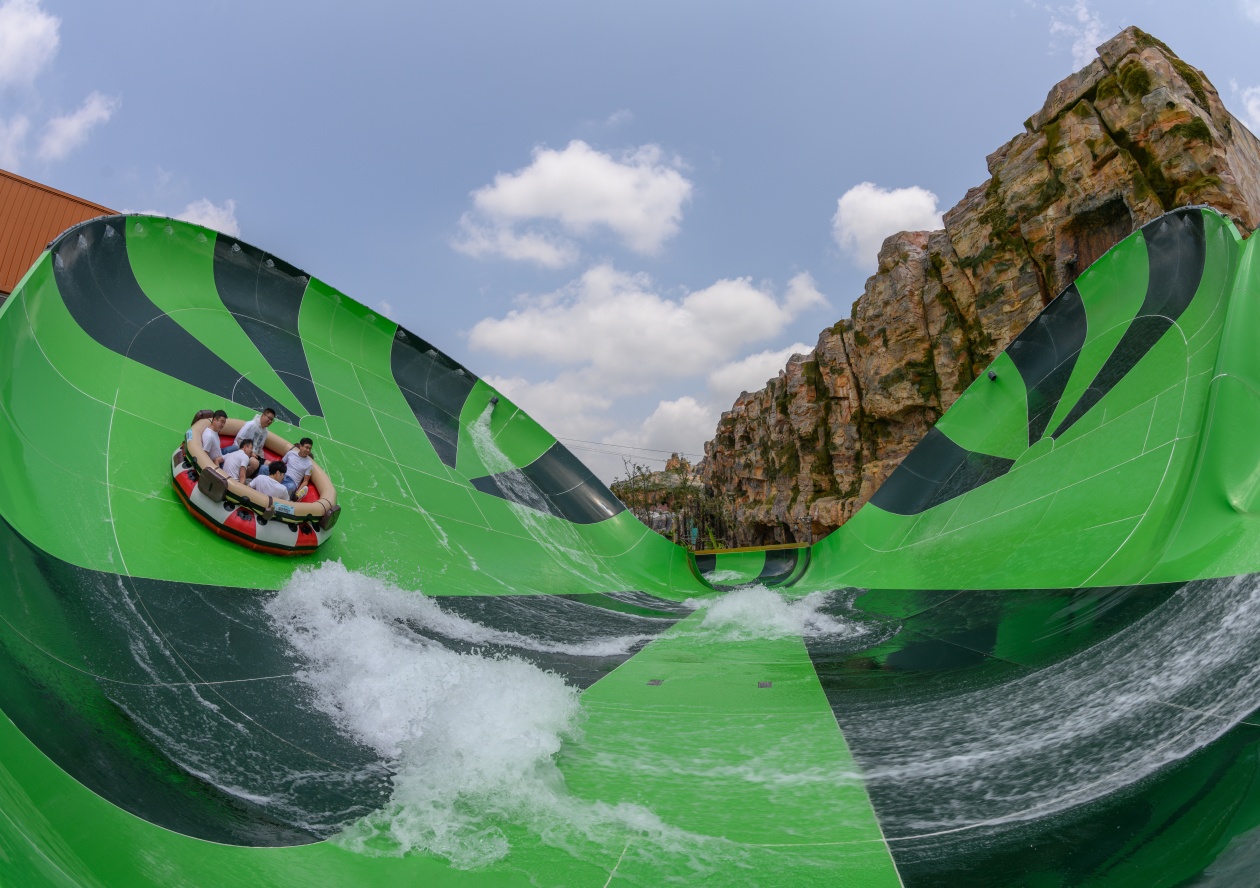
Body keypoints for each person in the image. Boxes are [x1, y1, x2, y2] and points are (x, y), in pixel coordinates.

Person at [226, 408, 276, 478]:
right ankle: (242, 479)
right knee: (255, 463)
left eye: (272, 420)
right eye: (269, 418)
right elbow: (239, 439)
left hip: (255, 455)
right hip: (243, 452)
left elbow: (260, 448)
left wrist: (261, 458)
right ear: (263, 415)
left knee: (272, 465)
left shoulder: (265, 432)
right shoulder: (251, 425)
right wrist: (250, 453)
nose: (270, 421)